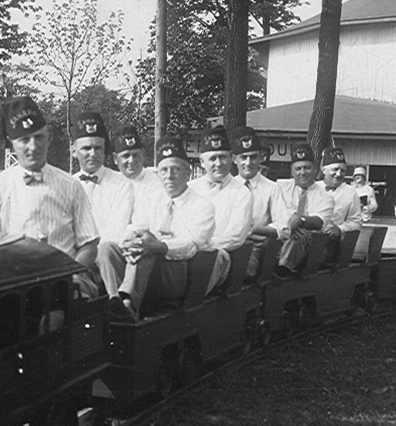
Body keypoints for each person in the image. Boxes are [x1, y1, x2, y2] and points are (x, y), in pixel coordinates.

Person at [0, 95, 99, 298]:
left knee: (58, 313)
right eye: (24, 140)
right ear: (12, 143)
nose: (33, 147)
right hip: (15, 283)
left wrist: (70, 276)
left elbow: (89, 245)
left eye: (39, 137)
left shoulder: (71, 185)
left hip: (66, 281)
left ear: (48, 137)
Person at [97, 136, 216, 321]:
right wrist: (132, 241)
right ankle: (116, 303)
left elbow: (191, 245)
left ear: (188, 171)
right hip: (144, 272)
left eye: (176, 169)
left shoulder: (202, 205)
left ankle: (129, 306)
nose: (169, 176)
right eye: (164, 170)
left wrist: (158, 245)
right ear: (158, 173)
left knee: (149, 247)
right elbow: (135, 227)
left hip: (177, 275)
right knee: (106, 248)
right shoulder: (151, 200)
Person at [187, 125, 253, 291]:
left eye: (223, 157)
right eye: (213, 158)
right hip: (185, 250)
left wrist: (199, 246)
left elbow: (235, 236)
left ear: (231, 158)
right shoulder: (189, 189)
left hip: (219, 255)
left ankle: (191, 305)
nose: (218, 163)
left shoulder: (242, 193)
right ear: (202, 162)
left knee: (212, 258)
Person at [272, 143, 334, 276]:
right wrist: (290, 225)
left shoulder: (325, 197)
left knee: (300, 236)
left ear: (315, 169)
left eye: (307, 168)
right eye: (298, 168)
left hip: (307, 246)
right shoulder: (280, 187)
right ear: (292, 170)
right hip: (279, 234)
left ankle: (282, 270)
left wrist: (299, 220)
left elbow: (318, 222)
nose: (303, 172)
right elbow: (272, 212)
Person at [71, 112, 133, 246]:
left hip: (106, 256)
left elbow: (117, 229)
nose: (92, 154)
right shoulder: (67, 185)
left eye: (98, 148)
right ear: (74, 151)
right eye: (86, 148)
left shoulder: (121, 184)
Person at [232, 126, 286, 277]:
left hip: (254, 248)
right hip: (226, 244)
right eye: (243, 157)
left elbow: (283, 227)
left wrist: (252, 229)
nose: (248, 163)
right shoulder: (227, 187)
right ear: (234, 159)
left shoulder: (271, 188)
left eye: (253, 157)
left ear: (260, 158)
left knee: (240, 265)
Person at [317, 147, 361, 267]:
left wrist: (340, 229)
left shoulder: (350, 193)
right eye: (335, 169)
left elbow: (356, 222)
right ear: (323, 170)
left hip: (331, 241)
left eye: (342, 170)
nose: (339, 174)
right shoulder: (312, 188)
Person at [112, 124, 162, 215]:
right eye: (126, 156)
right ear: (115, 159)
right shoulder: (110, 185)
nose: (131, 161)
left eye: (136, 155)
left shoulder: (156, 183)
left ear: (143, 155)